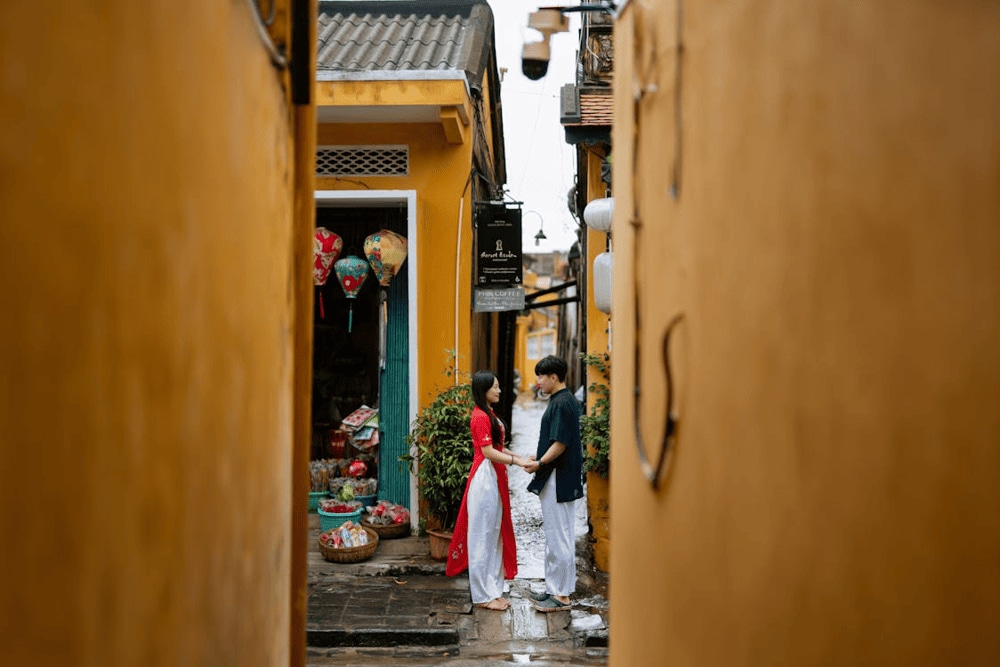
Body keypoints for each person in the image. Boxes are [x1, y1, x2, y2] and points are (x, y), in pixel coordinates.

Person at [446, 370, 531, 611]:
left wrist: (521, 458)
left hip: (493, 476)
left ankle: (492, 589)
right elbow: (487, 452)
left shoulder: (488, 413)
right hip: (484, 478)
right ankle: (482, 595)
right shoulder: (480, 417)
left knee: (493, 534)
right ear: (483, 390)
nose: (499, 390)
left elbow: (498, 446)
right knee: (481, 536)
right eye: (495, 386)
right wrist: (516, 462)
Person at [523, 355, 584, 612]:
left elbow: (560, 443)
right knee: (557, 534)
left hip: (558, 476)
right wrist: (540, 457)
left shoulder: (561, 403)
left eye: (540, 377)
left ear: (553, 377)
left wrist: (539, 464)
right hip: (561, 474)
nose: (537, 382)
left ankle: (561, 596)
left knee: (558, 536)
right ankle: (555, 589)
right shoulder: (566, 399)